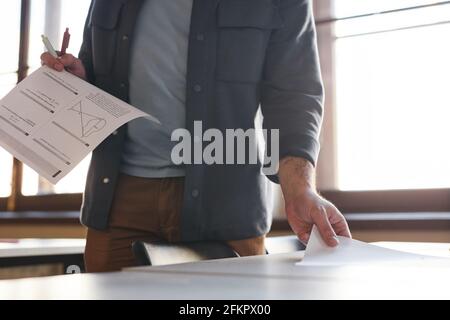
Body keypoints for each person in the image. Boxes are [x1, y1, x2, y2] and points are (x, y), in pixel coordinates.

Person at [41, 0, 351, 272]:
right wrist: (77, 78)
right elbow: (98, 76)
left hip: (226, 201)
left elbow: (294, 94)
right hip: (120, 200)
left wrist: (299, 189)